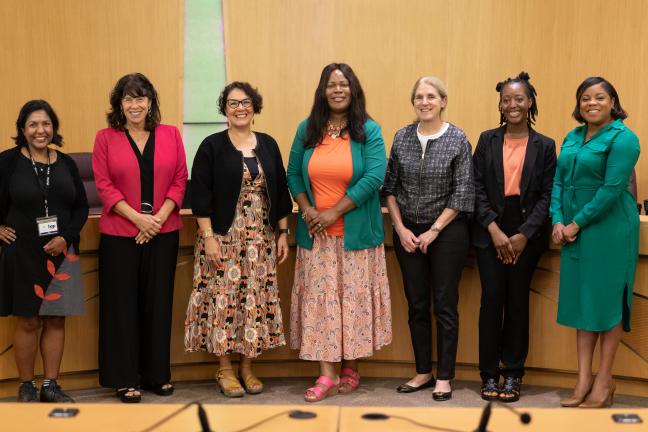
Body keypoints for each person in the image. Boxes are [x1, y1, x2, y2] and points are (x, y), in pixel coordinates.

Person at [287, 63, 392, 402]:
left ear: (353, 90)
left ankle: (351, 367)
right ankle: (327, 373)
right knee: (322, 305)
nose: (337, 90)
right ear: (323, 90)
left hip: (356, 236)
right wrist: (308, 209)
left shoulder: (369, 130)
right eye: (331, 85)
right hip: (316, 236)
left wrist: (333, 211)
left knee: (352, 302)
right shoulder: (308, 129)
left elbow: (374, 178)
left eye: (343, 84)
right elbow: (293, 175)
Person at [185, 82, 292, 397]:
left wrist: (283, 232)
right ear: (225, 109)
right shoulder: (211, 146)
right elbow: (199, 197)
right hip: (222, 237)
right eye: (232, 103)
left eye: (245, 102)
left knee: (253, 300)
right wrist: (209, 238)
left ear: (255, 107)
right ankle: (225, 369)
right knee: (223, 300)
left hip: (260, 238)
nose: (240, 108)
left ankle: (247, 367)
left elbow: (281, 191)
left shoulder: (269, 144)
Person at [93, 73, 187, 403]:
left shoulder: (171, 134)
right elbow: (103, 185)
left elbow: (180, 179)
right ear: (119, 104)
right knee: (122, 308)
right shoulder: (105, 138)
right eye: (128, 99)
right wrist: (138, 220)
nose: (135, 105)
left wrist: (158, 218)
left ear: (151, 102)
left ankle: (156, 375)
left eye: (141, 98)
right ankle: (124, 378)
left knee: (158, 305)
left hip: (164, 232)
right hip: (120, 233)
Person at [551, 77, 640, 408]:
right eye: (585, 98)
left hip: (610, 231)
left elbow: (611, 189)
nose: (592, 103)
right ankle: (583, 377)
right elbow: (559, 182)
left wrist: (576, 223)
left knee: (607, 304)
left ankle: (604, 380)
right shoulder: (572, 137)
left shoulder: (625, 139)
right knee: (582, 303)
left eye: (600, 97)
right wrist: (558, 220)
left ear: (613, 102)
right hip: (574, 230)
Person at [383, 76, 474, 402]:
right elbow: (390, 188)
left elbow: (463, 192)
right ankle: (423, 372)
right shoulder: (403, 137)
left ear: (443, 101)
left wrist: (434, 230)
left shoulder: (458, 139)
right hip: (407, 232)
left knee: (445, 305)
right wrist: (401, 229)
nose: (424, 102)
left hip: (447, 233)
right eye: (419, 96)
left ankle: (445, 377)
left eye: (431, 96)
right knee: (417, 305)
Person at [473, 72, 556, 402]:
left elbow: (549, 195)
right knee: (491, 301)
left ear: (530, 101)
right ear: (501, 104)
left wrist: (523, 234)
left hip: (528, 233)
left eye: (519, 99)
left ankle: (513, 374)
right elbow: (476, 188)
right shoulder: (487, 139)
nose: (512, 105)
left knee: (518, 303)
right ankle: (489, 374)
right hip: (488, 231)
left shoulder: (546, 145)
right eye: (506, 99)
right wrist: (493, 229)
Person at [0, 100, 89, 402]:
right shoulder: (7, 162)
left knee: (55, 319)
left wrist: (67, 236)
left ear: (54, 127)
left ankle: (51, 385)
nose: (41, 130)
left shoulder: (66, 163)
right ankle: (26, 385)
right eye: (33, 124)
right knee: (27, 320)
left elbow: (80, 206)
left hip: (61, 252)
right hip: (22, 251)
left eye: (46, 123)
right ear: (23, 129)